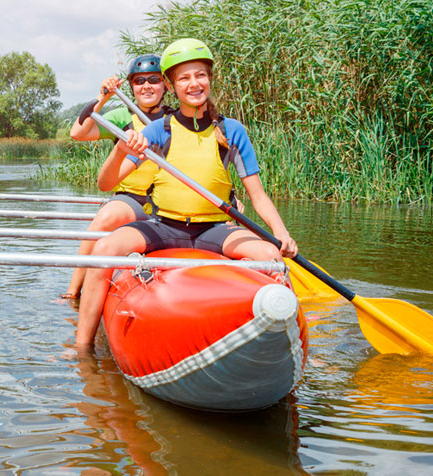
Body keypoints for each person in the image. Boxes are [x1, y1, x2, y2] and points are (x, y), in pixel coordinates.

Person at [74, 38, 298, 347]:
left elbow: (257, 195)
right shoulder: (157, 130)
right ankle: (82, 350)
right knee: (103, 252)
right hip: (164, 226)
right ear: (172, 85)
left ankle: (291, 344)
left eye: (200, 75)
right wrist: (120, 151)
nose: (194, 83)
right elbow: (106, 184)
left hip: (216, 229)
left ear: (210, 78)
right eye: (184, 78)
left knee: (272, 258)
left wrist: (281, 232)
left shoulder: (232, 131)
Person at [62, 54, 171, 299]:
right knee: (106, 218)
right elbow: (78, 133)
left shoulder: (175, 118)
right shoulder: (123, 117)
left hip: (170, 201)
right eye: (139, 81)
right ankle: (72, 293)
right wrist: (104, 97)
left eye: (153, 80)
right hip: (132, 199)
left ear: (165, 85)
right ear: (131, 87)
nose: (147, 86)